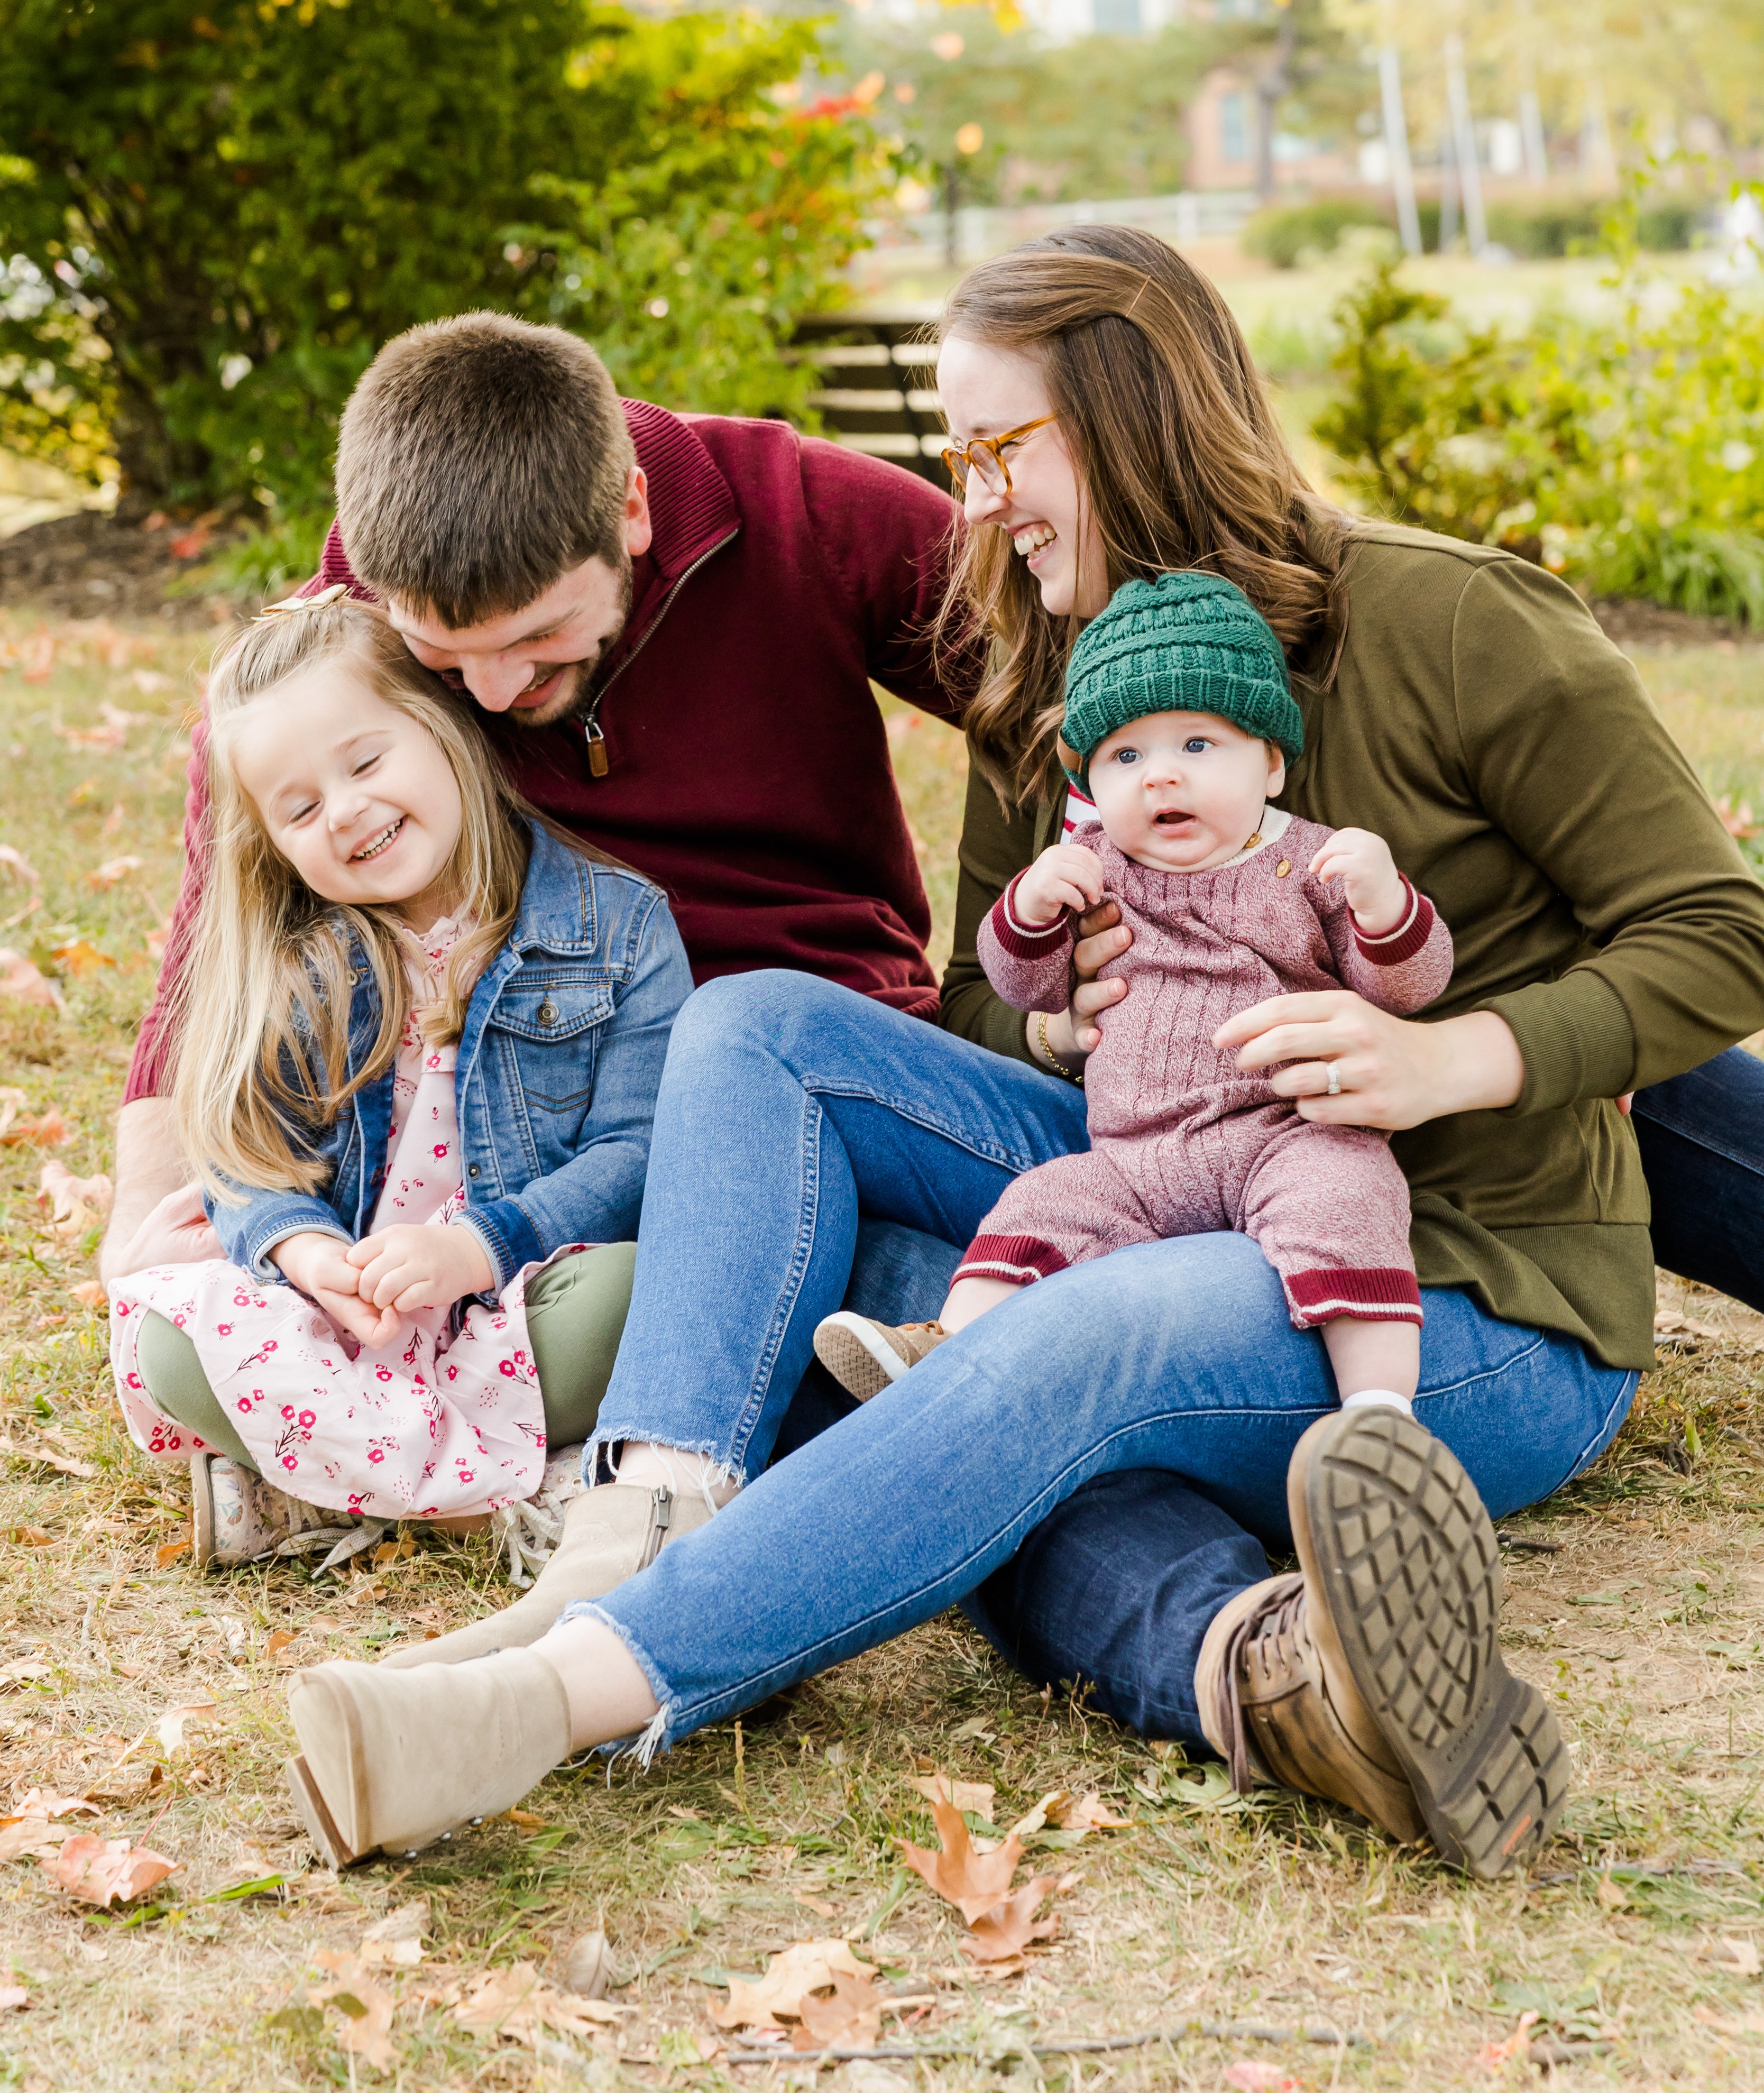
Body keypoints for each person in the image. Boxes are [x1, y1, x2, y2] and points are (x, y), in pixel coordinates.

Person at [283, 224, 1764, 1882]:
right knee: (762, 1037)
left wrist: (1455, 1056)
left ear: (1138, 417)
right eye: (955, 453)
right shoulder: (1059, 679)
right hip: (1158, 1184)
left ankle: (548, 1699)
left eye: (1000, 452)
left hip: (1462, 1294)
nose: (967, 502)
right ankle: (691, 1523)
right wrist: (1053, 1002)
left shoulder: (1453, 622)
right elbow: (980, 1009)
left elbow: (1719, 927)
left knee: (1034, 1340)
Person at [100, 315, 970, 1300]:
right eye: (444, 658)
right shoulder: (336, 666)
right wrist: (144, 1231)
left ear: (634, 512)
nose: (497, 692)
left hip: (828, 1044)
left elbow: (1065, 688)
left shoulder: (801, 511)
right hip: (560, 1131)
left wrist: (1010, 962)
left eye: (543, 635)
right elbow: (212, 952)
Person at [108, 592, 690, 1564]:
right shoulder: (303, 966)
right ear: (274, 844)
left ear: (446, 728)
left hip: (521, 1297)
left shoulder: (616, 924)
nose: (346, 812)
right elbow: (249, 1164)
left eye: (367, 761)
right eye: (298, 809)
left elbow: (639, 1154)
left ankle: (309, 1482)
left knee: (645, 1293)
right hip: (353, 1321)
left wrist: (480, 1248)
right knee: (172, 1335)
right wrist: (305, 1256)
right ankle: (510, 1489)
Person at [812, 569, 1449, 1412]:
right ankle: (949, 1345)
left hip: (1285, 1131)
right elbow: (1025, 986)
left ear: (1269, 763)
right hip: (1134, 1155)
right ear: (1092, 784)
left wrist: (1384, 900)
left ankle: (1377, 1408)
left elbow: (1406, 985)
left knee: (1349, 1198)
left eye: (1197, 745)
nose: (1160, 777)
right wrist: (1032, 909)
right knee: (1039, 1203)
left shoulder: (1312, 859)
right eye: (1125, 755)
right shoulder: (1098, 870)